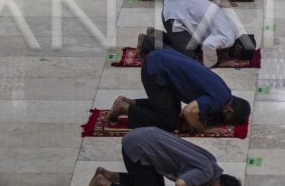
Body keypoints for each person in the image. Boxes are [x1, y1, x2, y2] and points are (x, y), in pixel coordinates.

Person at [84, 127, 242, 186]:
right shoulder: (206, 173)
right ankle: (103, 184)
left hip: (146, 137)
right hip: (138, 148)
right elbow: (180, 184)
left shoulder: (212, 164)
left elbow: (191, 169)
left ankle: (108, 175)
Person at [107, 47, 252, 132]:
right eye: (228, 120)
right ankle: (125, 108)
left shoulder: (225, 91)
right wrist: (203, 128)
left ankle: (129, 102)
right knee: (169, 122)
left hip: (164, 60)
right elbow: (189, 111)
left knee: (170, 110)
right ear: (229, 111)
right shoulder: (216, 102)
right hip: (155, 71)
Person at [139, 0, 255, 67]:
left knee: (191, 45)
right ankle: (147, 42)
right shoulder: (228, 39)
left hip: (179, 4)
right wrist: (217, 63)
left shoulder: (235, 29)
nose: (231, 56)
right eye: (236, 55)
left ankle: (156, 35)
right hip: (174, 15)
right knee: (188, 58)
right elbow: (208, 45)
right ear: (238, 48)